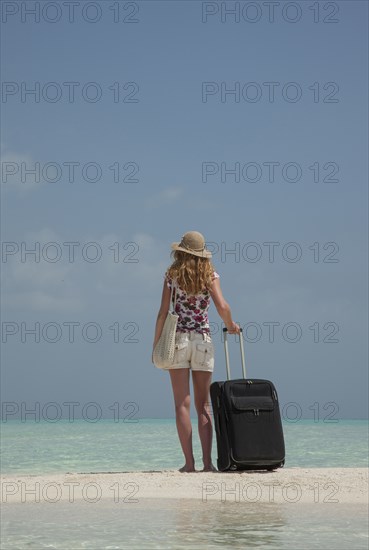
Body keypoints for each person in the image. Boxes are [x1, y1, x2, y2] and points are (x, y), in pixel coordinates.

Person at [152, 231, 240, 473]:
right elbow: (223, 306)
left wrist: (156, 342)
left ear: (181, 251)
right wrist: (232, 326)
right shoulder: (210, 274)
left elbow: (162, 313)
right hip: (203, 340)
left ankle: (189, 464)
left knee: (182, 404)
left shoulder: (172, 274)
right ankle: (208, 463)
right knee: (204, 406)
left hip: (177, 340)